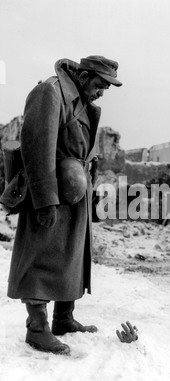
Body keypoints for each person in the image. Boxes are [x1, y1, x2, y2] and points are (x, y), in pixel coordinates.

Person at [6, 55, 122, 355]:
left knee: (71, 253)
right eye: (99, 85)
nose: (101, 92)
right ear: (83, 77)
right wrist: (45, 201)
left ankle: (63, 318)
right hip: (52, 189)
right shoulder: (50, 91)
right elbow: (37, 147)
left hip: (76, 190)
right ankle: (37, 329)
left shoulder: (81, 100)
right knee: (40, 257)